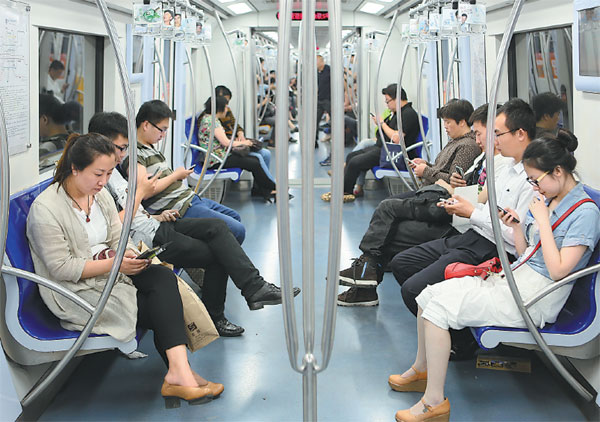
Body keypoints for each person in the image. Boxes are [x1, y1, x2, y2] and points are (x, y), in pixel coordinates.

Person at [390, 131, 600, 422]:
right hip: (517, 278)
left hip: (537, 297)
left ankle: (434, 403)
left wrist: (542, 222)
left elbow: (558, 270)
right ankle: (422, 369)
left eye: (536, 180)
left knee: (438, 310)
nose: (535, 187)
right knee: (428, 295)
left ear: (559, 171)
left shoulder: (585, 213)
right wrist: (516, 227)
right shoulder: (552, 198)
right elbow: (528, 252)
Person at [26, 133, 224, 406]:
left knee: (162, 276)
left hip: (110, 274)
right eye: (98, 173)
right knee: (160, 304)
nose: (103, 181)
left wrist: (129, 254)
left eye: (108, 173)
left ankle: (179, 374)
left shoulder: (99, 197)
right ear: (75, 168)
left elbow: (117, 237)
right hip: (76, 291)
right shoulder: (46, 210)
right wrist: (117, 263)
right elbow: (62, 269)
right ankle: (181, 373)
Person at [89, 112, 300, 337]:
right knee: (218, 253)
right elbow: (114, 225)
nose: (123, 154)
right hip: (144, 241)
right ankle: (223, 312)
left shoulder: (113, 173)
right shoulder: (98, 178)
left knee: (219, 228)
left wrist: (158, 216)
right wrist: (141, 193)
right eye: (120, 148)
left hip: (154, 224)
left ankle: (255, 287)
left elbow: (134, 213)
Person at [337, 104, 507, 307]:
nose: (477, 139)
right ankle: (366, 278)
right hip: (451, 204)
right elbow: (460, 181)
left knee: (388, 212)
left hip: (453, 214)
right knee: (388, 225)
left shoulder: (473, 150)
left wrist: (429, 172)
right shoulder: (479, 154)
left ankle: (366, 275)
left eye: (448, 122)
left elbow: (472, 195)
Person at [390, 98, 536, 321]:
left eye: (499, 134)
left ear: (520, 134)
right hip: (474, 234)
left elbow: (515, 236)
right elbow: (487, 202)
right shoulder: (508, 168)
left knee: (411, 289)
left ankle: (454, 338)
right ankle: (439, 321)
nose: (494, 141)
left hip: (493, 248)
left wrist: (471, 212)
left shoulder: (531, 181)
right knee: (402, 262)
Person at [122, 100, 246, 243]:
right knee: (237, 231)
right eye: (161, 129)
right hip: (180, 208)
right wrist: (175, 175)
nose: (163, 135)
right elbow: (145, 190)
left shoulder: (149, 147)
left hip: (190, 199)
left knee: (235, 217)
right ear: (146, 125)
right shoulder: (135, 154)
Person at [321, 84, 421, 203]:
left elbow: (396, 138)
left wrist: (382, 123)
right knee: (351, 156)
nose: (387, 105)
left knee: (355, 162)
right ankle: (345, 189)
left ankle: (346, 192)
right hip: (384, 149)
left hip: (394, 155)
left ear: (397, 99)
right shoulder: (398, 113)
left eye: (388, 101)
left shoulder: (408, 114)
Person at [197, 96, 278, 199]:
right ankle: (272, 187)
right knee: (255, 162)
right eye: (225, 107)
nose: (227, 109)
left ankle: (266, 189)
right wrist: (245, 143)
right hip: (217, 160)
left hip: (221, 155)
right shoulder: (211, 121)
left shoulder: (210, 118)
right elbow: (226, 142)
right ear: (219, 108)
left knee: (255, 160)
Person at [215, 85, 274, 184]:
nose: (226, 105)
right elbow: (223, 141)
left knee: (266, 154)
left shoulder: (226, 111)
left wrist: (240, 134)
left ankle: (259, 186)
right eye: (225, 102)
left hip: (233, 142)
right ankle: (271, 186)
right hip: (226, 149)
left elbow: (235, 125)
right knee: (257, 157)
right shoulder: (212, 119)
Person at [315, 55, 331, 146]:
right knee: (315, 121)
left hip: (329, 100)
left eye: (316, 62)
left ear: (321, 62)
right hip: (320, 100)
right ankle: (314, 142)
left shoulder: (329, 70)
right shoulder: (317, 73)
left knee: (335, 120)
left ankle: (332, 136)